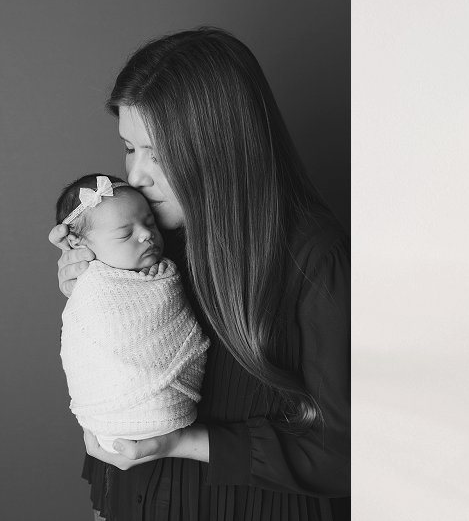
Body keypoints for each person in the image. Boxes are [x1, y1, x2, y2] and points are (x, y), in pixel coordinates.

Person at [48, 27, 349, 521]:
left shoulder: (316, 260)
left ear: (223, 147)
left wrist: (184, 442)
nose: (138, 176)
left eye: (160, 154)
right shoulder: (147, 237)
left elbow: (348, 452)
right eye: (129, 147)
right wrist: (95, 291)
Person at [56, 174, 208, 455]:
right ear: (80, 244)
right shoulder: (94, 284)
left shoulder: (167, 266)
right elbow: (88, 345)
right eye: (125, 234)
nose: (147, 234)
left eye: (150, 222)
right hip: (114, 413)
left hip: (177, 412)